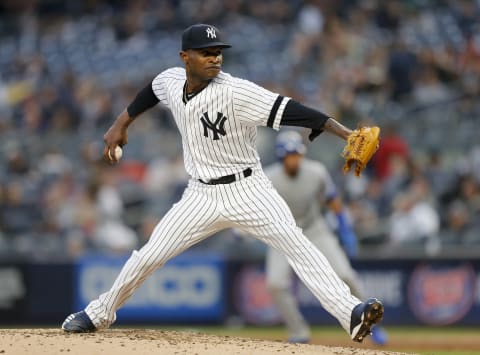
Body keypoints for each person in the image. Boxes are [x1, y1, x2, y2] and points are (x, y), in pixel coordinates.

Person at [61, 23, 384, 343]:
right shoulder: (171, 80)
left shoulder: (235, 91)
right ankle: (98, 313)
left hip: (249, 190)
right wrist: (121, 124)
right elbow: (152, 90)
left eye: (218, 53)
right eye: (206, 53)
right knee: (149, 256)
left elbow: (293, 110)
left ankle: (351, 313)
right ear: (185, 57)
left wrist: (346, 133)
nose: (215, 59)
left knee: (297, 245)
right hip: (200, 195)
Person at [264, 130, 388, 344]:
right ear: (280, 156)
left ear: (302, 154)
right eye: (289, 155)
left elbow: (333, 202)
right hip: (282, 233)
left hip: (314, 229)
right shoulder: (268, 177)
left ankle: (371, 325)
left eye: (296, 154)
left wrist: (345, 229)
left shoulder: (316, 172)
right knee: (275, 283)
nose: (293, 159)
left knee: (346, 275)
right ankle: (299, 332)